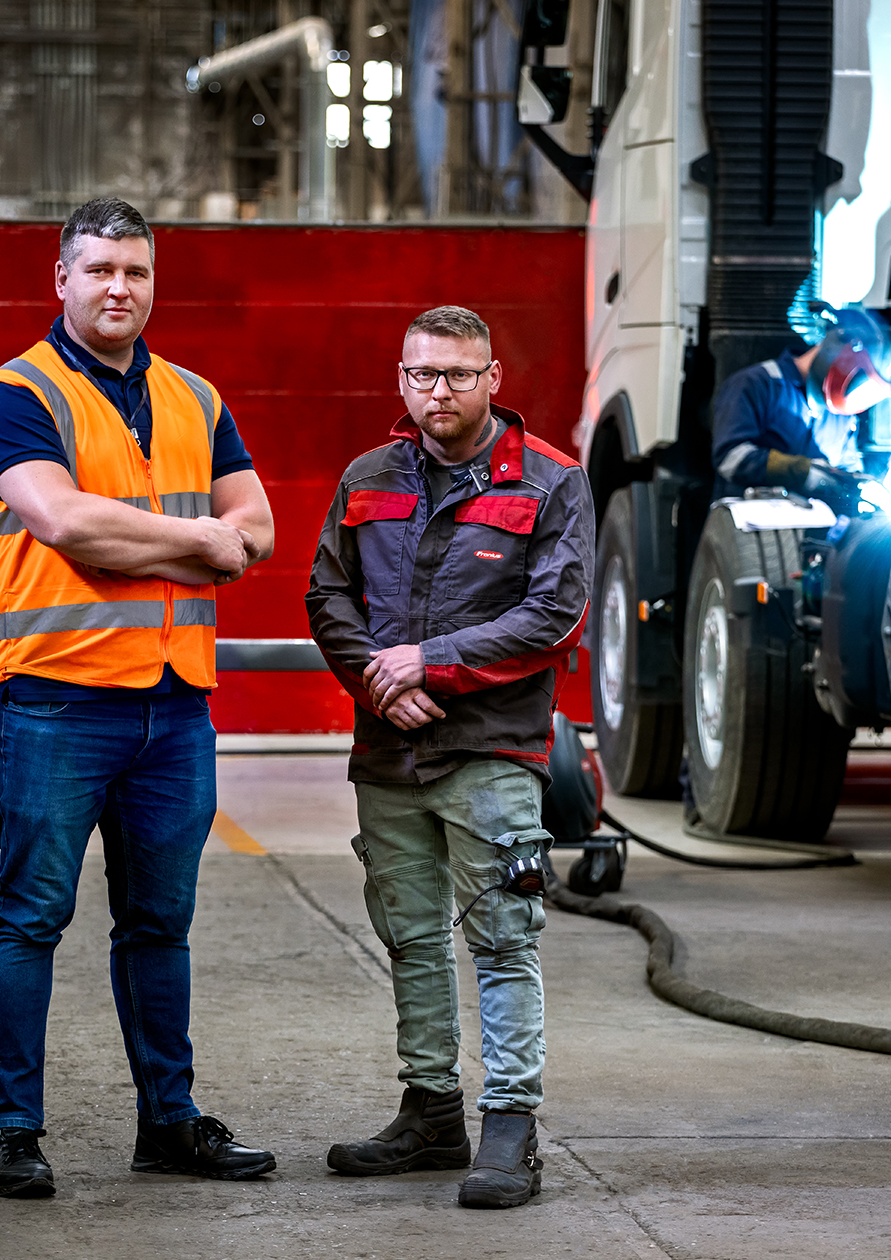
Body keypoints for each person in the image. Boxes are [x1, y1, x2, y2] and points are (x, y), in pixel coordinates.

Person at [0, 196, 277, 1198]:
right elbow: (62, 521)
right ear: (61, 280)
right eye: (98, 270)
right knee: (28, 917)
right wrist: (197, 545)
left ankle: (168, 1125)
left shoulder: (194, 396)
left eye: (134, 270)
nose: (118, 287)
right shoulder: (16, 395)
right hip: (57, 698)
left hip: (175, 706)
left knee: (159, 928)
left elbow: (257, 525)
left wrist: (189, 536)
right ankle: (11, 1131)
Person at [306, 305, 595, 1209]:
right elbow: (328, 593)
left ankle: (511, 1126)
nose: (440, 390)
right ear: (402, 379)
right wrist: (378, 682)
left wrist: (428, 664)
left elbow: (555, 613)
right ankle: (431, 1112)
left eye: (459, 375)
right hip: (389, 748)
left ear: (493, 379)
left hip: (491, 751)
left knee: (504, 939)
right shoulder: (367, 476)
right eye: (423, 374)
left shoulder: (552, 482)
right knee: (412, 938)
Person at [709, 303, 891, 509]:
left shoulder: (841, 416)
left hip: (809, 537)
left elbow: (848, 468)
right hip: (745, 531)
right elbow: (730, 458)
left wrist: (860, 488)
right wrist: (801, 472)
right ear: (841, 345)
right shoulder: (759, 384)